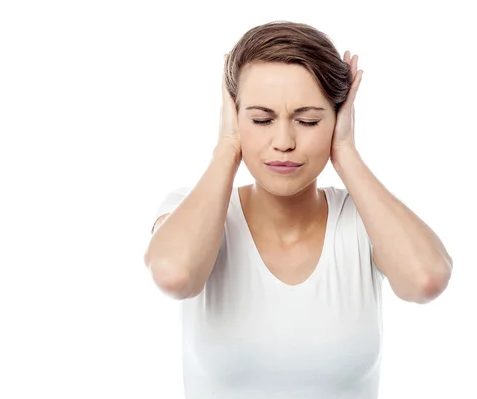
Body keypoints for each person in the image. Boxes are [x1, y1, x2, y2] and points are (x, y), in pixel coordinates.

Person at [143, 21, 453, 399]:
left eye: (307, 121)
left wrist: (347, 155)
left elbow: (426, 280)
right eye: (261, 119)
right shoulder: (193, 210)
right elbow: (174, 275)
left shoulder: (363, 220)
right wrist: (226, 147)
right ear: (234, 116)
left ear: (338, 120)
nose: (284, 142)